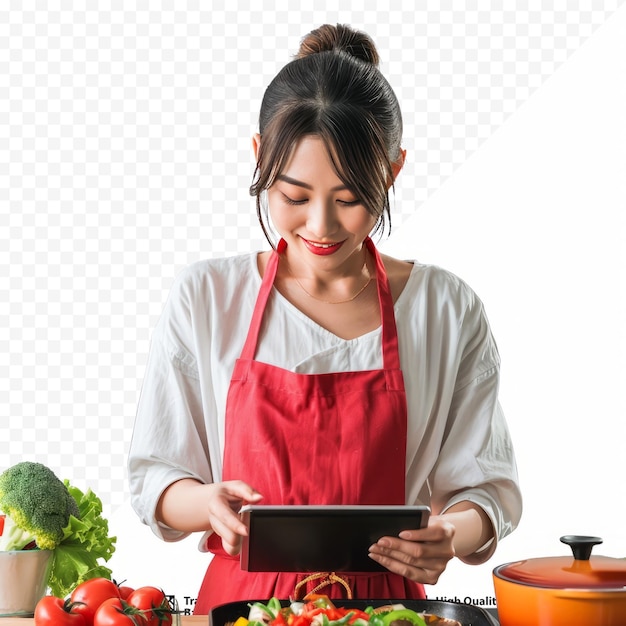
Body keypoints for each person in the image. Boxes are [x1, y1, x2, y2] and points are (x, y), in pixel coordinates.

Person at [128, 23, 522, 615]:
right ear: (260, 156)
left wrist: (450, 535)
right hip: (243, 609)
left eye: (348, 199)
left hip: (389, 612)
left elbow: (484, 488)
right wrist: (205, 503)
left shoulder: (445, 308)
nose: (321, 226)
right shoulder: (207, 296)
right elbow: (157, 474)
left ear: (392, 172)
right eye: (293, 197)